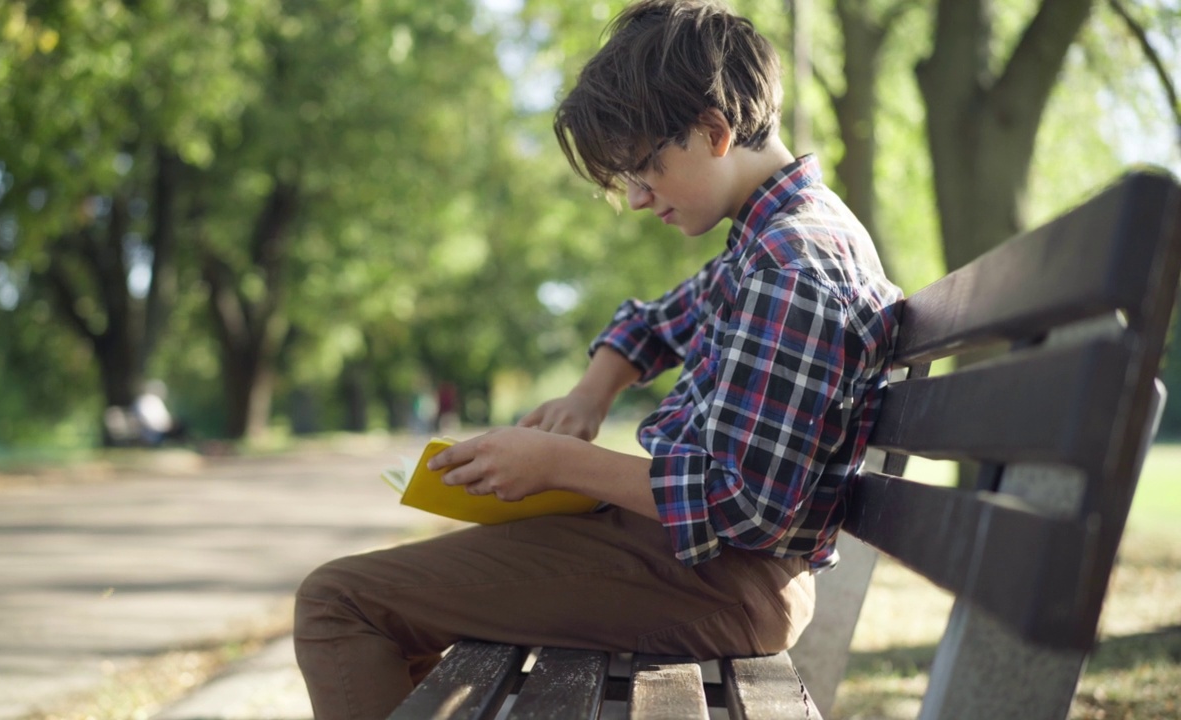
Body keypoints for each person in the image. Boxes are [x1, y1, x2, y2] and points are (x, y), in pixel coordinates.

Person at [293, 2, 903, 717]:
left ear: (714, 132)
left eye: (646, 168)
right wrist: (591, 394)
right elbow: (652, 324)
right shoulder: (768, 238)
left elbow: (743, 508)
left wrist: (556, 466)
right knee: (393, 594)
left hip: (719, 580)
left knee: (339, 603)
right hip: (695, 564)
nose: (639, 198)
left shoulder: (792, 265)